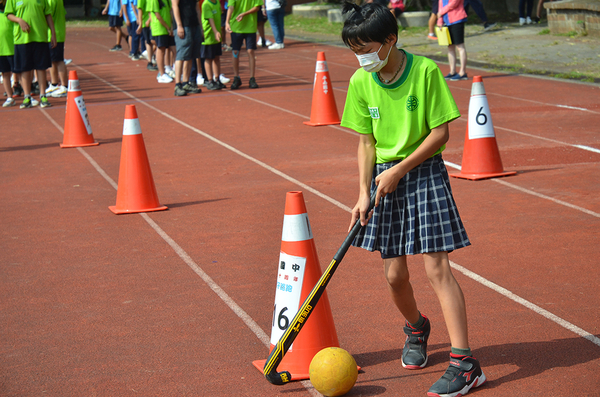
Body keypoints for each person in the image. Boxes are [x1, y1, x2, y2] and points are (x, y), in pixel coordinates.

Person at [339, 3, 486, 397]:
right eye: (354, 50)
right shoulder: (360, 82)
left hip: (421, 173)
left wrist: (399, 169)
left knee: (437, 268)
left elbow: (440, 135)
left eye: (366, 47)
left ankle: (464, 363)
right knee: (394, 275)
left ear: (390, 40)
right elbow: (366, 142)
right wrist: (361, 193)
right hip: (383, 179)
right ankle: (417, 328)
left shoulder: (424, 71)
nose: (361, 57)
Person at [5, 0, 56, 108]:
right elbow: (8, 14)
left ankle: (43, 96)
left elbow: (47, 14)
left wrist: (53, 33)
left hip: (40, 37)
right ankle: (27, 97)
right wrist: (19, 20)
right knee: (25, 69)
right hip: (22, 39)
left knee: (41, 68)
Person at [225, 0, 262, 89]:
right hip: (236, 27)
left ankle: (252, 78)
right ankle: (236, 77)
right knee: (235, 52)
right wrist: (227, 22)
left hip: (250, 27)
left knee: (250, 51)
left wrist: (244, 14)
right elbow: (231, 6)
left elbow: (257, 7)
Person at [172, 0, 203, 96]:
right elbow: (174, 5)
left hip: (194, 25)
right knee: (181, 55)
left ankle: (186, 83)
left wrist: (200, 27)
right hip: (184, 25)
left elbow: (197, 8)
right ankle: (178, 85)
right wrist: (179, 25)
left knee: (190, 55)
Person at [438, 0, 468, 81]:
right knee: (450, 47)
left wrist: (441, 12)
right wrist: (440, 20)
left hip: (457, 20)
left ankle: (462, 72)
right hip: (446, 22)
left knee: (460, 46)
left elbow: (454, 3)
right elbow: (440, 5)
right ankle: (452, 71)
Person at [149, 0, 176, 83]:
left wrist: (171, 26)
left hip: (168, 28)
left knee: (174, 49)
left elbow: (170, 12)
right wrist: (167, 27)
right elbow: (158, 16)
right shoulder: (154, 1)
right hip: (160, 29)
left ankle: (175, 70)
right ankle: (161, 74)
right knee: (161, 50)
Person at [45, 0, 67, 98]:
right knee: (52, 60)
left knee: (58, 60)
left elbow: (48, 17)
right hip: (57, 33)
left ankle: (64, 86)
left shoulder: (51, 1)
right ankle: (54, 84)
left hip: (54, 34)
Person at [201, 0, 226, 90]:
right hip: (209, 36)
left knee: (216, 57)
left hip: (216, 36)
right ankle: (210, 80)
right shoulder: (206, 4)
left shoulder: (217, 3)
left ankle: (217, 79)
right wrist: (215, 32)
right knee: (208, 58)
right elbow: (210, 19)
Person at [0, 0, 16, 107]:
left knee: (21, 72)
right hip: (2, 50)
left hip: (14, 47)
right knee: (5, 73)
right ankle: (10, 97)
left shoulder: (11, 14)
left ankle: (27, 95)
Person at [136, 0, 158, 71]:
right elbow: (140, 9)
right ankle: (150, 61)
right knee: (149, 42)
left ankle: (155, 59)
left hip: (153, 21)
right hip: (146, 23)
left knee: (154, 41)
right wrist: (140, 23)